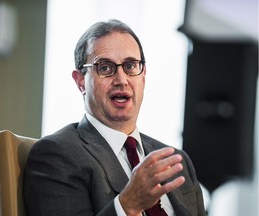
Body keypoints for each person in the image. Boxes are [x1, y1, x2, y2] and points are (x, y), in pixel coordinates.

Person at [24, 19, 206, 216]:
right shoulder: (57, 155)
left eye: (130, 66)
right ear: (80, 82)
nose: (121, 80)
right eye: (104, 67)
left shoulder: (176, 160)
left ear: (143, 76)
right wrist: (127, 206)